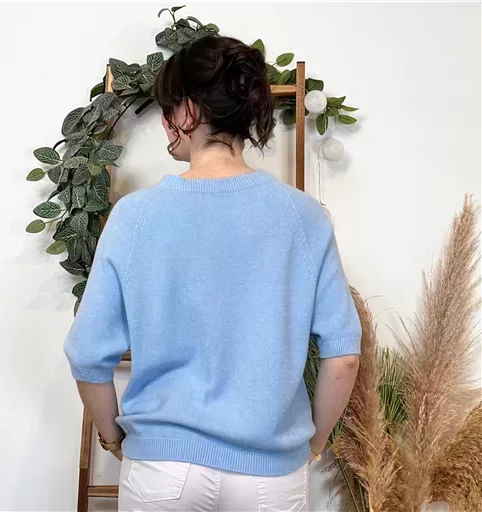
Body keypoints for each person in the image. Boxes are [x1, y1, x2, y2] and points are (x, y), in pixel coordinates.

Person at [64, 34, 361, 512]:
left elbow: (86, 354)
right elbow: (343, 357)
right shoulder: (303, 216)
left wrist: (113, 438)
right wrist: (314, 443)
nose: (165, 124)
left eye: (167, 110)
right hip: (270, 474)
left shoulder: (135, 216)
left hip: (162, 467)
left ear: (187, 111)